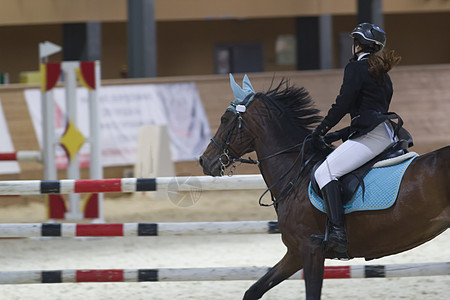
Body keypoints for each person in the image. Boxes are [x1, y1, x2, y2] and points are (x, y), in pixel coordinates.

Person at [311, 23, 402, 253]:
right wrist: (338, 135)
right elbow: (368, 112)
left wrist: (320, 130)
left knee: (325, 172)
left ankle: (338, 235)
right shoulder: (382, 74)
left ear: (358, 45)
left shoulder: (356, 69)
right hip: (386, 133)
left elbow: (343, 105)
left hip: (372, 136)